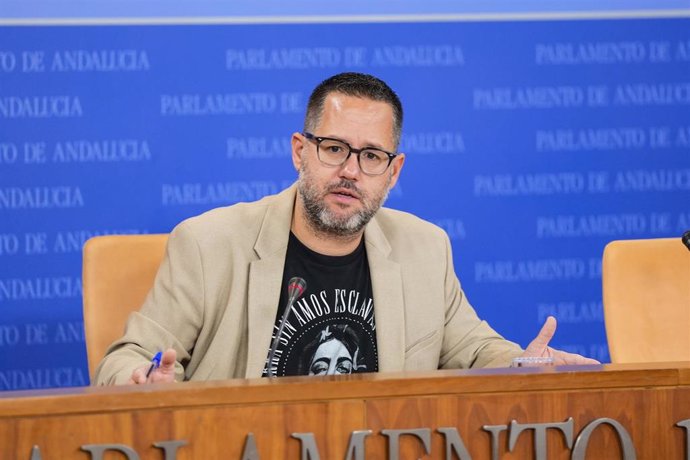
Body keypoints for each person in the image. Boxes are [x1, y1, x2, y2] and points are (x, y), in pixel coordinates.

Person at [94, 72, 598, 385]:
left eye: (371, 156)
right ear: (300, 150)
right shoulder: (208, 245)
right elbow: (127, 359)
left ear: (394, 171)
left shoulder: (426, 249)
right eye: (334, 148)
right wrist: (142, 384)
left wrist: (520, 367)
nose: (350, 171)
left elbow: (475, 350)